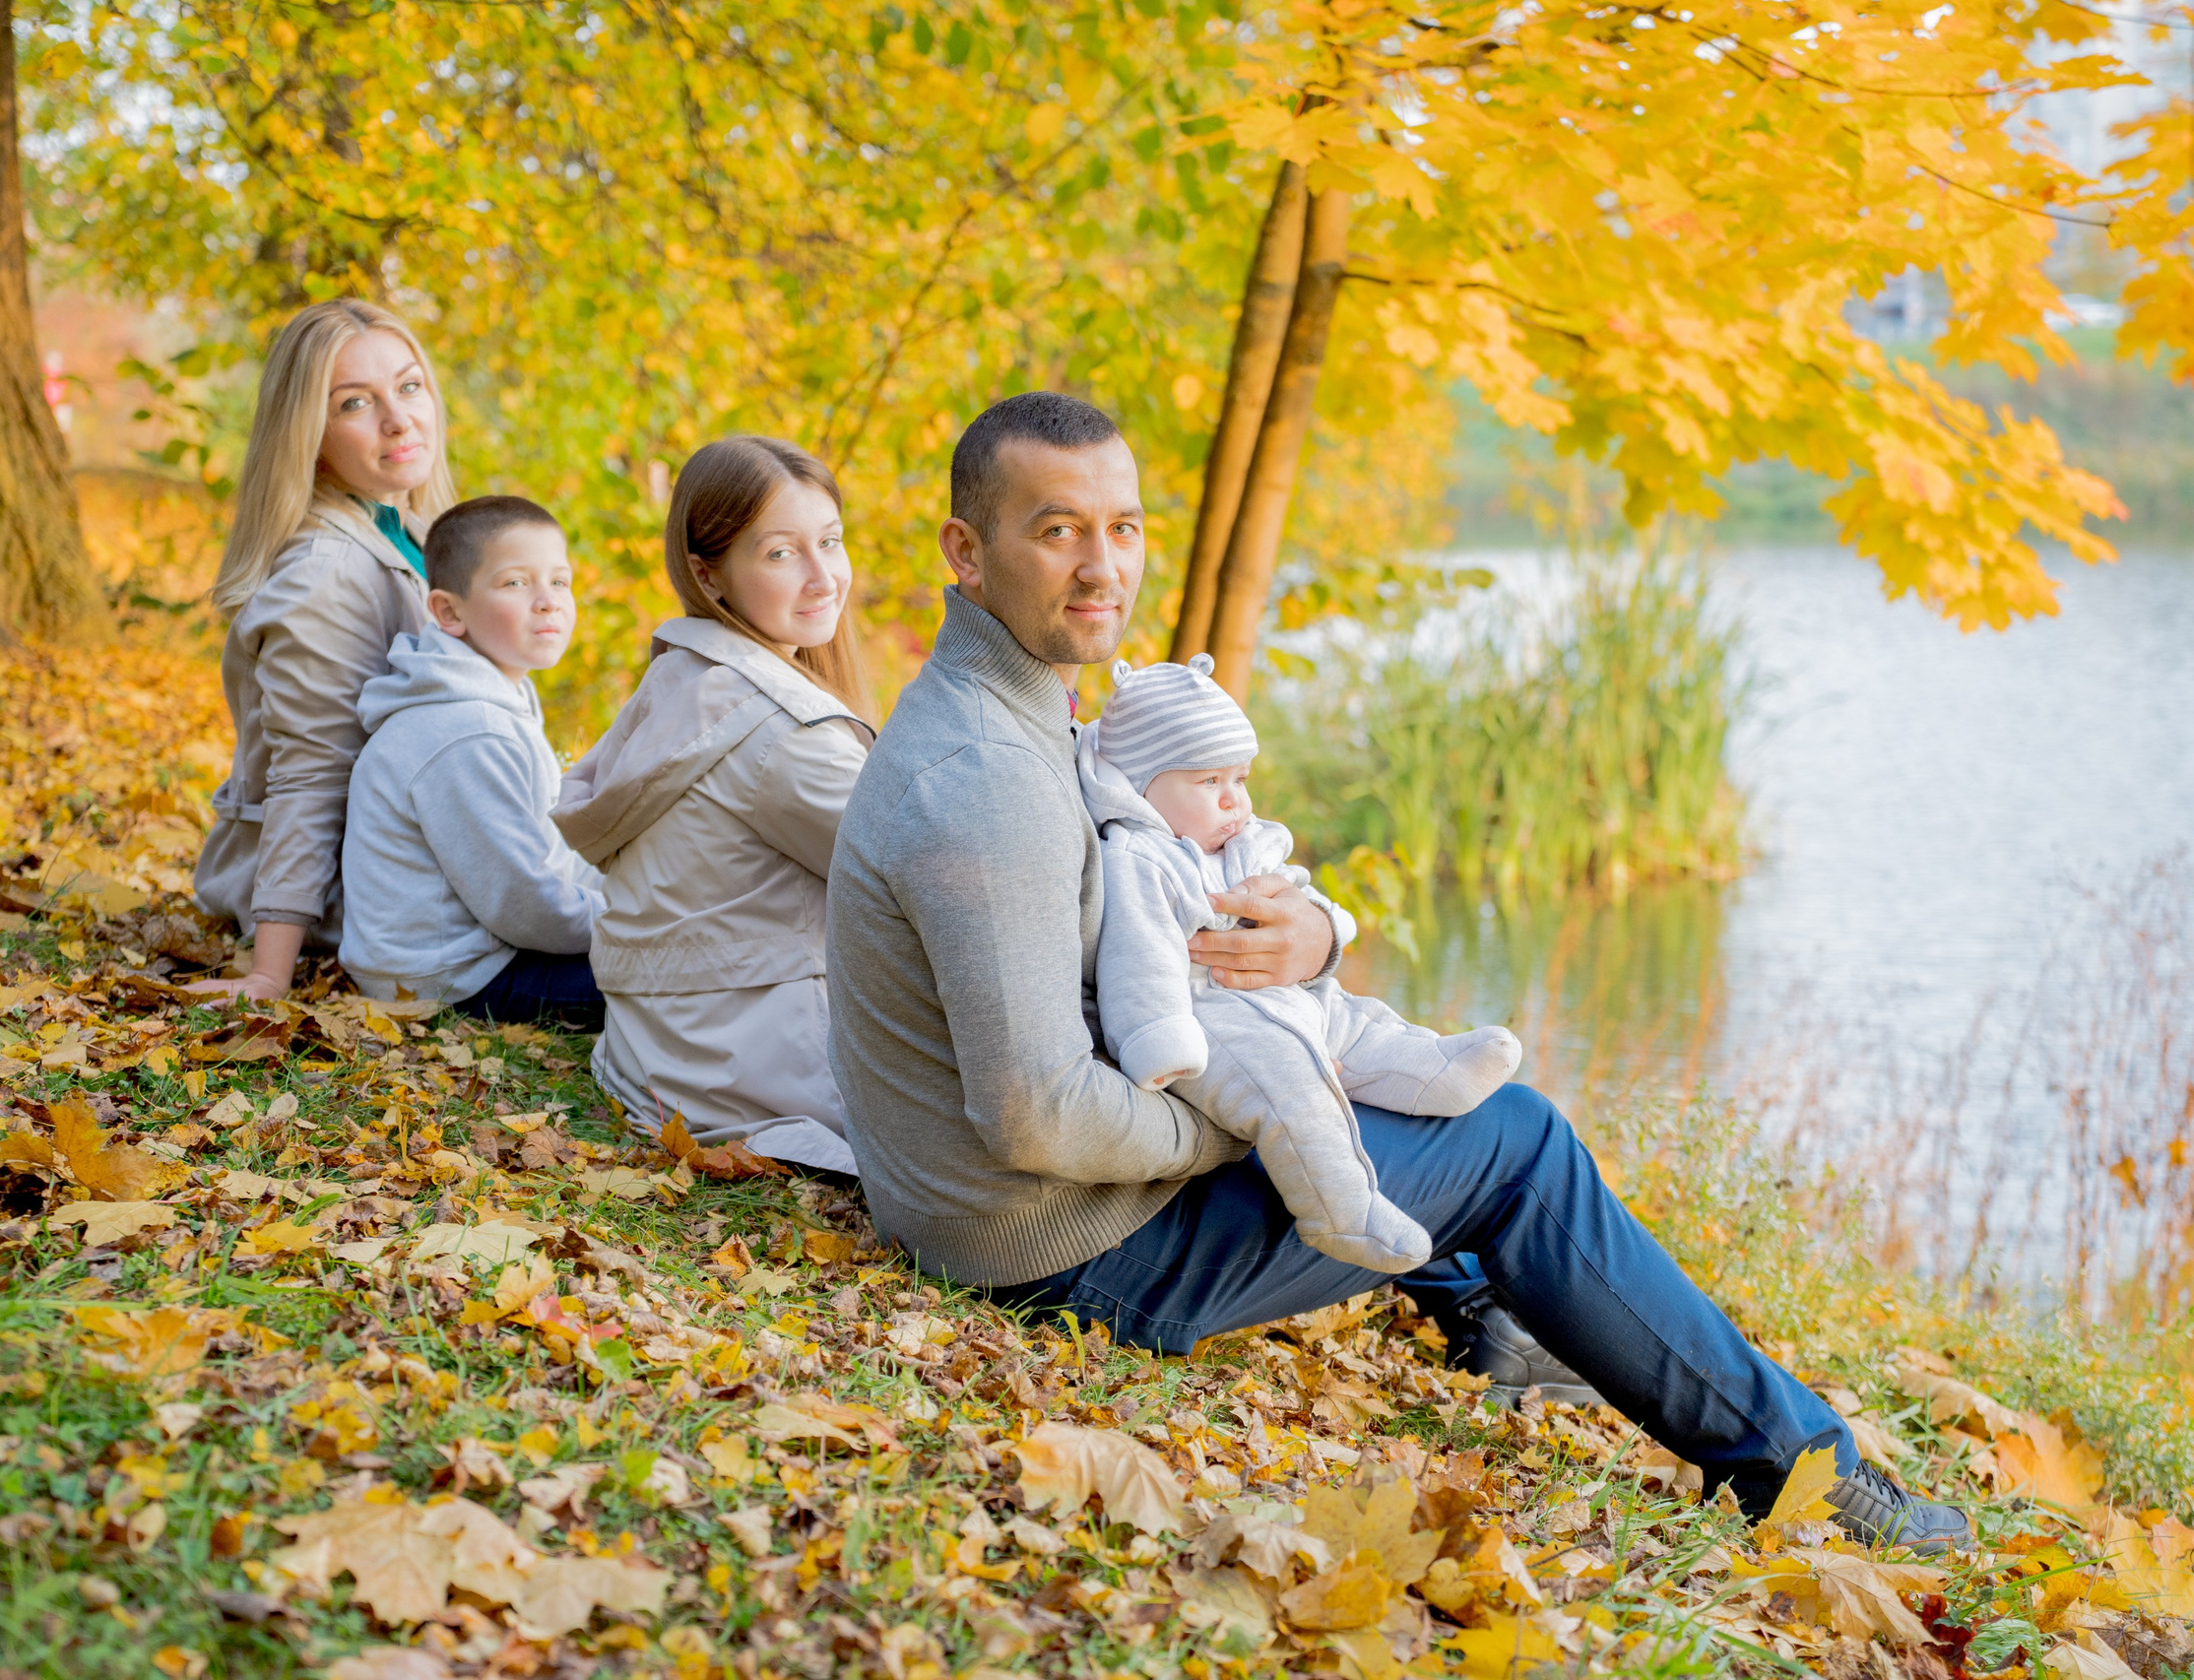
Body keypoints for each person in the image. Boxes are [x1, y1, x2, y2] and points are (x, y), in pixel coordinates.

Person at [825, 391, 1970, 1549]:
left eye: (1121, 526)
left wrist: (1313, 937)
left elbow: (1175, 889)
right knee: (1518, 1140)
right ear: (966, 553)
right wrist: (1264, 1119)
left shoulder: (1021, 712)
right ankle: (1808, 1475)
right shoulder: (983, 779)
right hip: (1051, 1252)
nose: (1101, 565)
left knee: (1374, 1068)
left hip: (1025, 1206)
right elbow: (1035, 1112)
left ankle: (1492, 1310)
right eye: (1057, 529)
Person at [1080, 651, 1522, 1272]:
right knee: (1290, 1081)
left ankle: (1428, 1068)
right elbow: (1139, 960)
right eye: (1210, 782)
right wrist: (1157, 1041)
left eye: (1240, 778)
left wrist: (1326, 924)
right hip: (1210, 1019)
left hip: (1280, 995)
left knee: (1354, 1018)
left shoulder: (1241, 837)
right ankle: (1341, 1209)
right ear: (1141, 783)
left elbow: (1293, 888)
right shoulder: (1140, 860)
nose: (1234, 801)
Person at [551, 437, 871, 1176]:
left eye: (830, 541)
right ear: (709, 574)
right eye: (782, 554)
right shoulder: (779, 733)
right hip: (751, 1078)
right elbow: (933, 884)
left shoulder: (683, 682)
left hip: (658, 1058)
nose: (824, 576)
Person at [193, 299, 455, 1000]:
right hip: (358, 905)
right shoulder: (324, 573)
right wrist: (271, 972)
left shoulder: (416, 532)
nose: (399, 420)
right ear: (308, 435)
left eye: (408, 387)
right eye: (354, 404)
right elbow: (311, 774)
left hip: (416, 866)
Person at [339, 495, 604, 1028]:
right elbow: (526, 905)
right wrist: (642, 923)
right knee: (678, 977)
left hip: (480, 952)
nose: (548, 601)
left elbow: (547, 854)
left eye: (560, 581)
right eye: (516, 583)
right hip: (446, 980)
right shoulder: (466, 733)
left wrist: (627, 895)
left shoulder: (496, 698)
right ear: (449, 612)